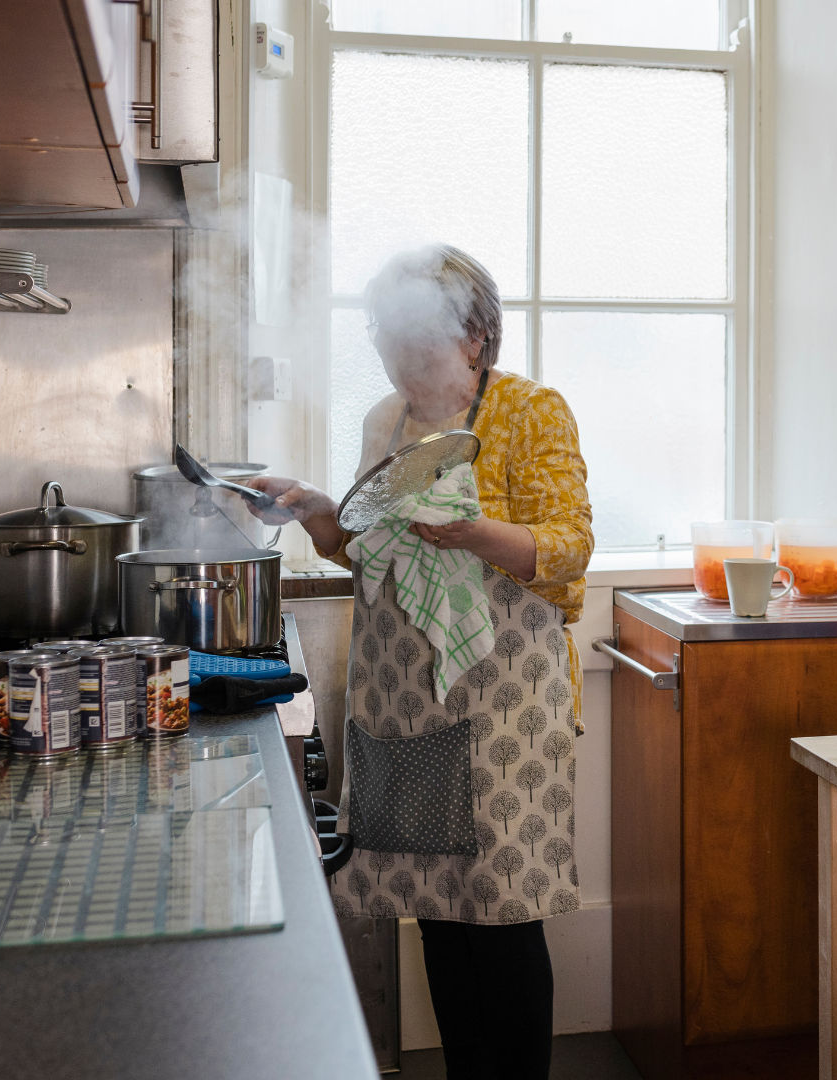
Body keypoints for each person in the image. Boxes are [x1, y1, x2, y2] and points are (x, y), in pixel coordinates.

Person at [247, 245, 593, 1080]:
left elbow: (571, 549)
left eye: (416, 338)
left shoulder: (531, 412)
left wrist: (471, 531)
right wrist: (318, 515)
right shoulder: (384, 422)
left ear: (476, 336)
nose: (398, 357)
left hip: (506, 703)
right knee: (436, 909)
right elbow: (366, 554)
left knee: (502, 917)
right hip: (404, 700)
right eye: (385, 336)